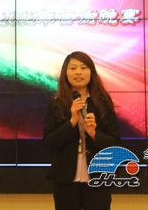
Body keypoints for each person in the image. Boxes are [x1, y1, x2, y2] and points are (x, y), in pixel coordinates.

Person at [43, 51, 120, 210]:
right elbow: (49, 143)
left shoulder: (103, 102)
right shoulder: (56, 103)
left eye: (83, 68)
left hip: (98, 178)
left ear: (91, 72)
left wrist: (94, 134)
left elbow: (115, 144)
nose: (78, 72)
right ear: (65, 73)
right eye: (73, 68)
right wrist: (72, 122)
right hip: (65, 179)